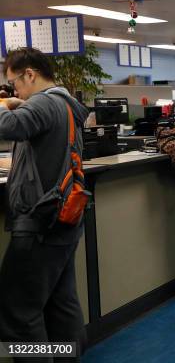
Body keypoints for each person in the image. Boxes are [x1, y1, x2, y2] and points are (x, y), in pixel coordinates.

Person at [0, 48, 88, 356]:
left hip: (39, 223)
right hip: (61, 220)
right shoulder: (66, 104)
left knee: (18, 313)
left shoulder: (44, 103)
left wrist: (2, 104)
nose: (15, 91)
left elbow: (8, 126)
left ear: (30, 74)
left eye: (14, 84)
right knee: (61, 305)